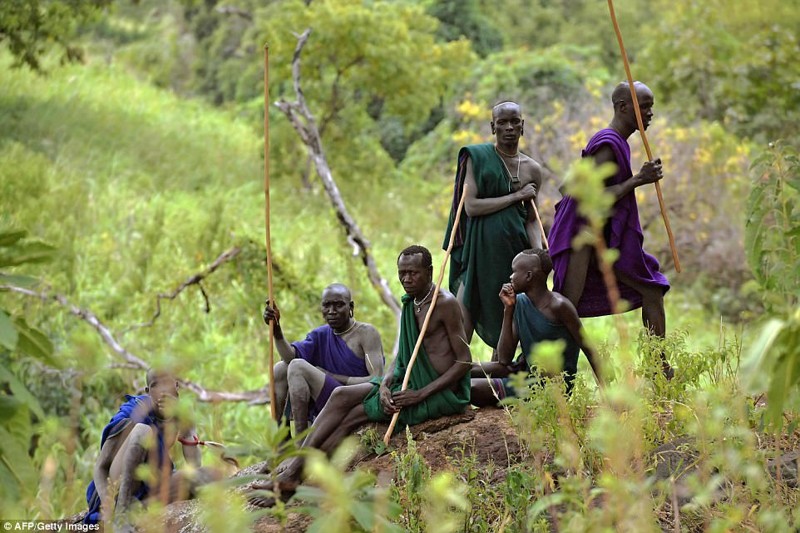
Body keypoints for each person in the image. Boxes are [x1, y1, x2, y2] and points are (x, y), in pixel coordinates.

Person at [251, 245, 471, 500]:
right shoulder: (411, 304)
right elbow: (403, 356)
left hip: (437, 392)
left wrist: (420, 395)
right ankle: (296, 473)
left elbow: (464, 362)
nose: (407, 279)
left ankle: (293, 474)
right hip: (406, 382)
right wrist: (387, 383)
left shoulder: (444, 304)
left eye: (414, 273)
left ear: (430, 272)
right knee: (345, 408)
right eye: (402, 273)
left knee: (346, 407)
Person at [547, 81, 673, 377]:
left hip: (603, 237)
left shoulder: (614, 142)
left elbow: (568, 183)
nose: (650, 112)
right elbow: (579, 195)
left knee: (652, 288)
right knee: (567, 308)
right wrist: (637, 180)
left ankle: (658, 367)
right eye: (644, 106)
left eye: (651, 105)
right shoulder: (608, 142)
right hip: (578, 235)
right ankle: (544, 375)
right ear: (622, 107)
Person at [443, 101, 544, 351]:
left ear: (523, 126)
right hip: (477, 254)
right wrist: (515, 196)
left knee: (510, 316)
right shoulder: (477, 158)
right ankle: (454, 375)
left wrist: (539, 256)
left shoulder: (532, 169)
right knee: (463, 314)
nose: (509, 127)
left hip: (513, 258)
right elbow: (472, 207)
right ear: (492, 127)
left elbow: (531, 220)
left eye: (514, 121)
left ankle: (500, 379)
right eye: (502, 122)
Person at [84, 369, 218, 529]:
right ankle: (122, 516)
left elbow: (194, 466)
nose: (162, 390)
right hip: (118, 489)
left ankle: (139, 510)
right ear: (148, 391)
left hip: (151, 488)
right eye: (156, 385)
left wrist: (188, 429)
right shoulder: (135, 409)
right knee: (143, 431)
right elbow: (100, 468)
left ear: (176, 386)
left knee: (208, 475)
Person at [470, 249, 602, 406]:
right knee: (463, 371)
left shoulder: (559, 306)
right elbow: (504, 359)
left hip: (550, 386)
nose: (511, 277)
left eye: (514, 272)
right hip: (524, 372)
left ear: (528, 276)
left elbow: (588, 347)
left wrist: (608, 392)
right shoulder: (519, 302)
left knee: (472, 388)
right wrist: (508, 310)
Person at [263, 284, 384, 436]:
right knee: (280, 369)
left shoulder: (366, 333)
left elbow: (377, 380)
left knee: (297, 366)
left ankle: (303, 441)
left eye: (339, 305)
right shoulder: (320, 335)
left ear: (350, 306)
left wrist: (332, 377)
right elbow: (288, 357)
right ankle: (283, 442)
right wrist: (276, 330)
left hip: (353, 400)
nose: (332, 311)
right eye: (327, 305)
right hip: (327, 400)